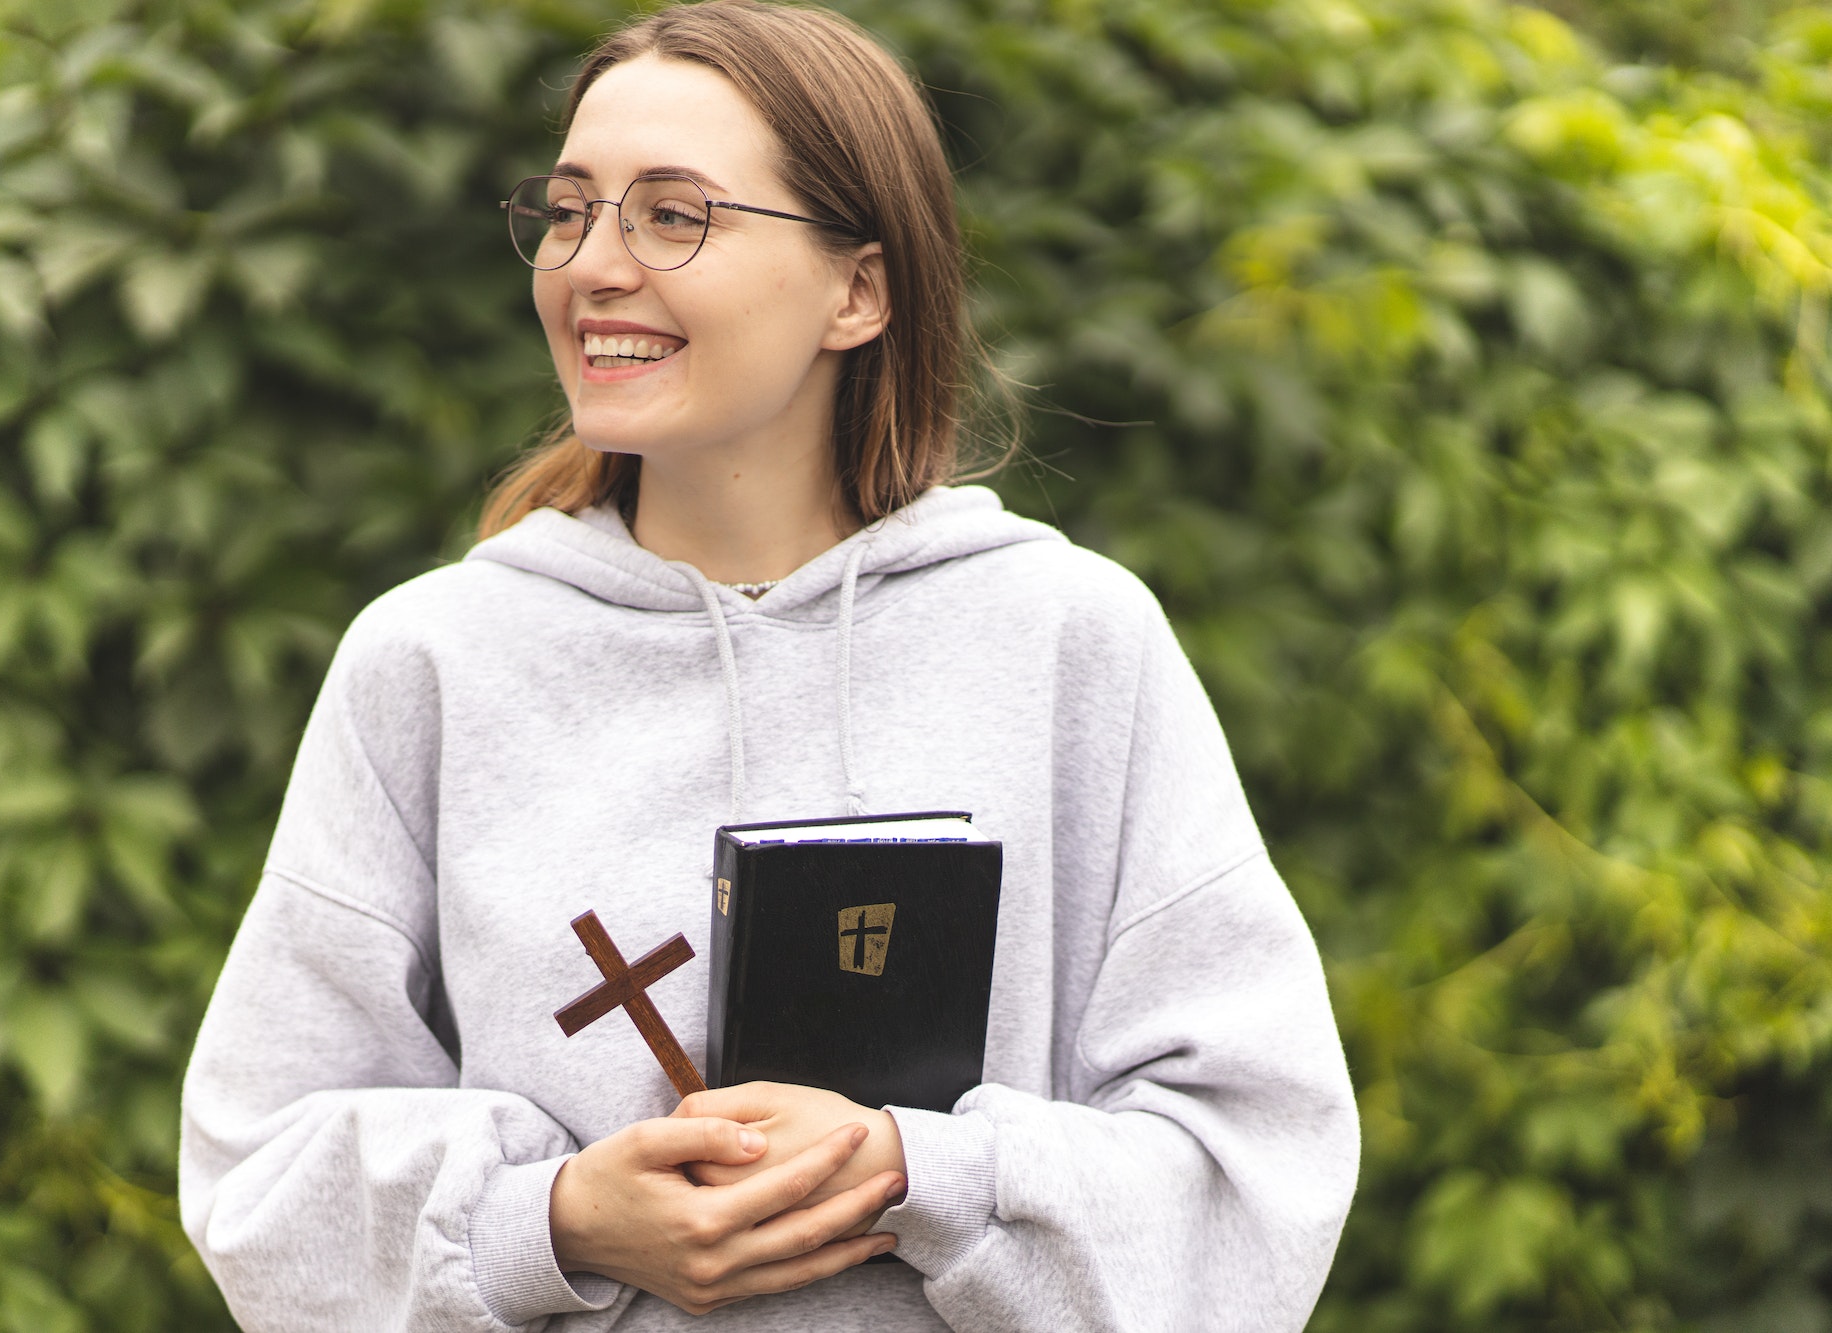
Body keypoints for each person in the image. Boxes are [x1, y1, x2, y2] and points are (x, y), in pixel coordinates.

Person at [177, 1, 1361, 1328]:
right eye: (570, 212)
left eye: (674, 214)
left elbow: (1257, 1167)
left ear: (857, 289)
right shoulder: (434, 661)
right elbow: (259, 1169)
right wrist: (557, 1217)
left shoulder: (1073, 645)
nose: (595, 266)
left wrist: (922, 1170)